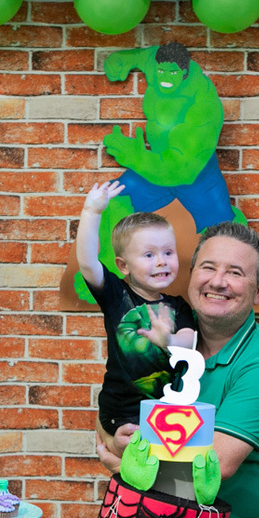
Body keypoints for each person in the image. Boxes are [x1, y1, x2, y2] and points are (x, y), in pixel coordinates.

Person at [98, 222, 259, 518]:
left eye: (235, 273)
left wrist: (127, 462)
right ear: (191, 276)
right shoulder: (169, 340)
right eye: (208, 267)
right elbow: (118, 406)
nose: (218, 282)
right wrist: (114, 438)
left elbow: (214, 465)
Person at [77, 180, 198, 437]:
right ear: (123, 266)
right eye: (149, 255)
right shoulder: (116, 295)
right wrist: (91, 212)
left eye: (168, 252)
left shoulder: (177, 305)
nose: (162, 261)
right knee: (134, 458)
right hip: (121, 411)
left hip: (167, 411)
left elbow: (189, 339)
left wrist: (169, 340)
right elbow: (87, 263)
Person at [102, 41, 235, 232]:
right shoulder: (160, 61)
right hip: (153, 167)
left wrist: (136, 157)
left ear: (184, 73)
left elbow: (181, 168)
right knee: (110, 200)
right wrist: (118, 61)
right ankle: (114, 252)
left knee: (225, 232)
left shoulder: (204, 103)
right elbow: (141, 56)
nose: (165, 77)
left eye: (172, 73)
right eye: (161, 72)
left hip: (196, 175)